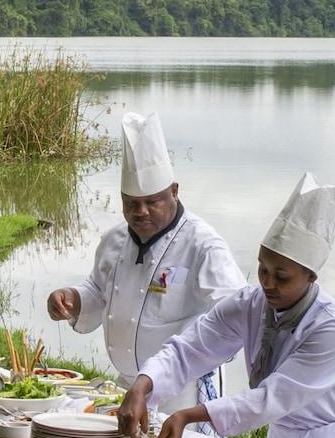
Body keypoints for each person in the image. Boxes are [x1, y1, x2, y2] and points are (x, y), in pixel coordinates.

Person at [118, 173, 335, 438]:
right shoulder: (251, 304)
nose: (268, 283)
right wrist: (143, 384)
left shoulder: (333, 329)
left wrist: (189, 415)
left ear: (310, 277)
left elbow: (272, 397)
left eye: (281, 277)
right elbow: (189, 349)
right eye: (262, 269)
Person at [46, 113, 245, 413]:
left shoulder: (203, 245)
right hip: (126, 387)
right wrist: (72, 299)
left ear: (174, 192)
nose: (141, 212)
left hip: (184, 392)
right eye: (131, 203)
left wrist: (194, 352)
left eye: (152, 202)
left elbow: (236, 314)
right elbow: (97, 290)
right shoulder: (114, 240)